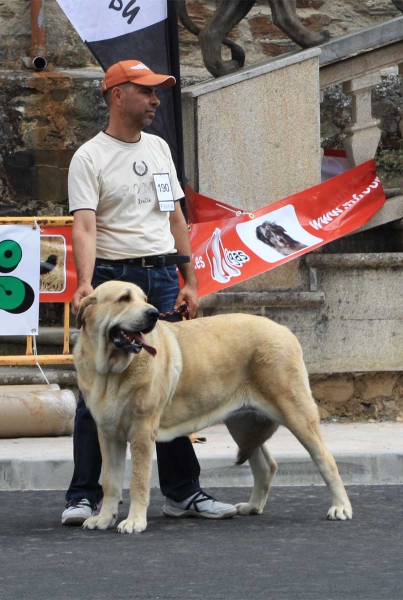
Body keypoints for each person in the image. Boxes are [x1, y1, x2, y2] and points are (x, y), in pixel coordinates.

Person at [62, 60, 237, 526]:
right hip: (115, 282)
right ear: (118, 95)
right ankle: (83, 496)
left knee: (167, 385)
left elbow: (176, 218)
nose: (157, 100)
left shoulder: (160, 148)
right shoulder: (89, 157)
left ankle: (183, 493)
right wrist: (85, 282)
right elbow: (84, 225)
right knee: (94, 390)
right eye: (147, 91)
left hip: (161, 276)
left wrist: (191, 279)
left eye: (158, 91)